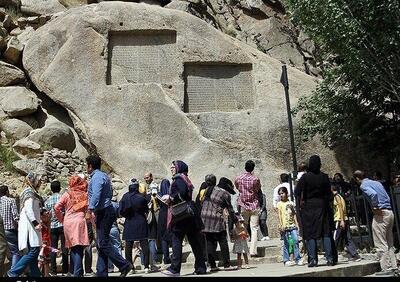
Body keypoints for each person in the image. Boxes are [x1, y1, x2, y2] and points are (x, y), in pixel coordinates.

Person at [86, 155, 132, 277]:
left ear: (90, 166)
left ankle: (124, 265)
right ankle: (102, 272)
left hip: (104, 211)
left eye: (87, 165)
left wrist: (90, 210)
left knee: (103, 242)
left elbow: (96, 194)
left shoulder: (96, 177)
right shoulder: (103, 176)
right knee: (102, 243)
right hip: (105, 210)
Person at [161, 160, 207, 277]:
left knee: (176, 240)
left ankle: (175, 269)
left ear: (178, 168)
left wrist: (170, 197)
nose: (171, 169)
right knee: (194, 242)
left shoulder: (179, 179)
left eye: (173, 167)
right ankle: (201, 267)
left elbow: (181, 193)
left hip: (181, 215)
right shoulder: (184, 178)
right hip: (189, 214)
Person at [353, 170, 398, 274]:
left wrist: (375, 207)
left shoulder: (363, 185)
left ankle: (386, 268)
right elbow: (386, 196)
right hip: (389, 212)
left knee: (380, 241)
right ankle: (394, 266)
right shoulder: (377, 183)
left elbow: (373, 194)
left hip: (380, 214)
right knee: (389, 242)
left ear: (357, 179)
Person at [295, 155, 335, 267]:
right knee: (326, 233)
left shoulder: (305, 177)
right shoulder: (324, 177)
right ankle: (330, 258)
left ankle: (313, 260)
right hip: (322, 206)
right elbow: (329, 194)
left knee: (310, 234)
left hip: (309, 208)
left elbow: (297, 191)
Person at [7, 172, 43, 277]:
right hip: (30, 227)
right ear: (33, 180)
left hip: (30, 226)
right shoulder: (29, 192)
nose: (40, 182)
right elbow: (28, 209)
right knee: (34, 251)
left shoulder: (32, 192)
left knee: (32, 255)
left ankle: (36, 276)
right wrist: (36, 223)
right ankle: (13, 272)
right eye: (39, 180)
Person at [54, 175, 91, 277]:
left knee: (73, 248)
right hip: (79, 222)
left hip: (68, 222)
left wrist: (61, 219)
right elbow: (89, 209)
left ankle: (76, 272)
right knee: (79, 248)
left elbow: (57, 207)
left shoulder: (67, 194)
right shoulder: (85, 194)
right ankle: (77, 273)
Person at [201, 175, 237, 271]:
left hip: (204, 218)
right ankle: (227, 265)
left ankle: (212, 265)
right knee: (223, 241)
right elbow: (230, 209)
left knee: (210, 242)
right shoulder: (224, 193)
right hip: (216, 219)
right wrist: (236, 220)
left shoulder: (207, 190)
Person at [119, 179, 150, 273]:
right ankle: (146, 267)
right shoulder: (141, 197)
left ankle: (130, 267)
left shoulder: (125, 197)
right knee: (144, 244)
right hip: (141, 222)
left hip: (129, 222)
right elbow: (146, 209)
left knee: (128, 245)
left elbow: (120, 211)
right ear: (137, 187)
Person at [235, 160, 261, 257]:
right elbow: (257, 189)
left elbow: (237, 187)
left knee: (243, 227)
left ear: (245, 167)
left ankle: (243, 248)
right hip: (254, 205)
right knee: (254, 228)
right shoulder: (255, 179)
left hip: (243, 205)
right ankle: (253, 251)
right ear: (253, 168)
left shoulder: (238, 178)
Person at [331, 184, 361, 262]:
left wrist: (341, 220)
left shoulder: (336, 197)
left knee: (335, 238)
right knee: (347, 238)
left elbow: (340, 207)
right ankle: (355, 254)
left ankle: (332, 255)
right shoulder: (340, 196)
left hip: (339, 219)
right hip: (344, 219)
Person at [44, 180, 68, 276]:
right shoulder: (63, 198)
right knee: (64, 247)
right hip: (62, 225)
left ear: (51, 189)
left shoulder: (48, 200)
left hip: (52, 227)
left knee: (53, 248)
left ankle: (53, 270)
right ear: (60, 188)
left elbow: (46, 214)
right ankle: (65, 270)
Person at [277, 187, 302, 266]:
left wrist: (297, 224)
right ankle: (286, 259)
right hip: (285, 226)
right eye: (280, 194)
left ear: (286, 193)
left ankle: (297, 258)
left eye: (282, 193)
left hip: (292, 225)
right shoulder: (279, 204)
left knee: (295, 240)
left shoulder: (291, 203)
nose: (281, 195)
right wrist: (281, 225)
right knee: (286, 243)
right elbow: (279, 215)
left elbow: (294, 214)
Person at [0, 185, 21, 269]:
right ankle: (13, 272)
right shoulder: (11, 200)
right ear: (7, 192)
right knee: (15, 252)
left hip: (1, 231)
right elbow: (15, 216)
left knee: (4, 253)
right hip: (9, 230)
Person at [38, 208, 58, 277]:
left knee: (46, 261)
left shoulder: (47, 223)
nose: (48, 217)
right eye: (46, 216)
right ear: (41, 216)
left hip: (46, 243)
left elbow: (48, 232)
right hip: (43, 243)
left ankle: (46, 275)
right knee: (41, 261)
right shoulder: (40, 224)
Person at [146, 183, 161, 272]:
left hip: (148, 221)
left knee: (147, 241)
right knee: (151, 240)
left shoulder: (146, 197)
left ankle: (146, 262)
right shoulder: (158, 197)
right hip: (152, 222)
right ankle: (154, 261)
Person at [157, 179, 172, 268]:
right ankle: (175, 256)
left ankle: (166, 258)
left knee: (163, 238)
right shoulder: (170, 195)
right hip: (170, 214)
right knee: (173, 236)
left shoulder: (159, 195)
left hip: (162, 215)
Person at [108, 198, 123, 273]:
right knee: (117, 246)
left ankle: (110, 267)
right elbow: (119, 215)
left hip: (104, 228)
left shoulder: (100, 203)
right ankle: (121, 265)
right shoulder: (115, 204)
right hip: (113, 226)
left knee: (107, 247)